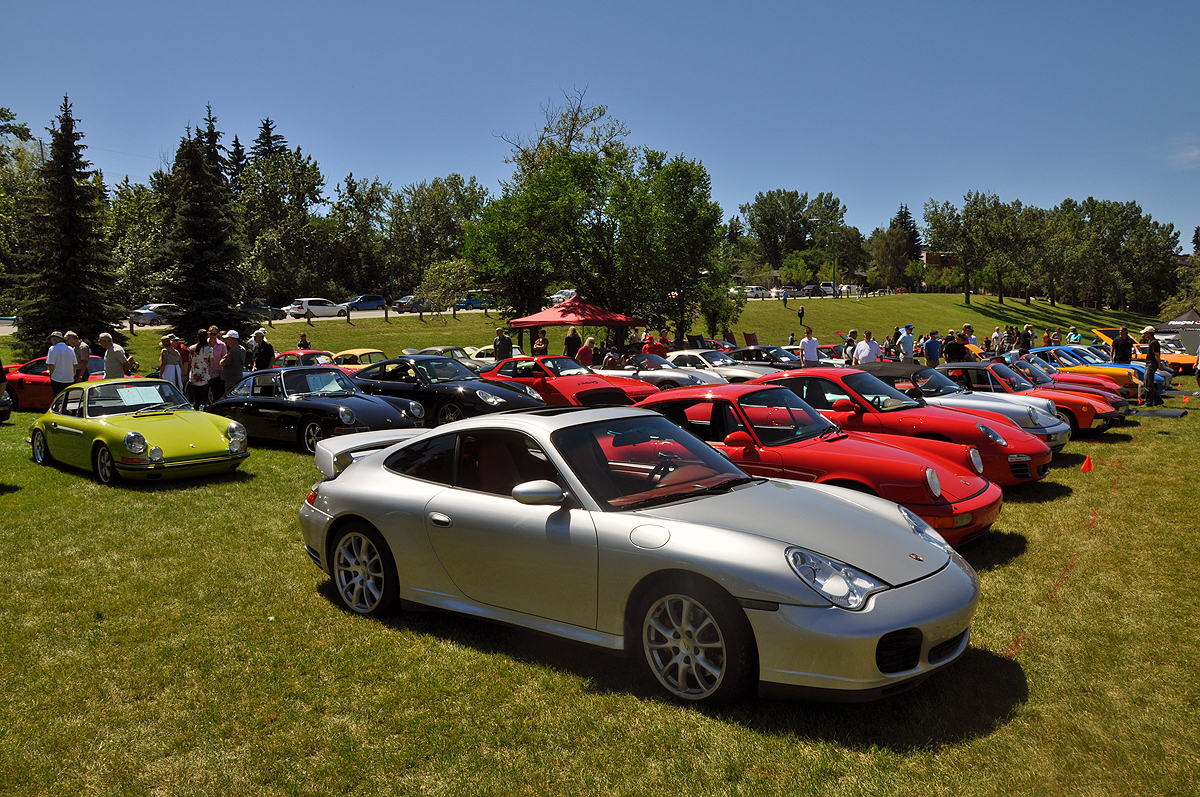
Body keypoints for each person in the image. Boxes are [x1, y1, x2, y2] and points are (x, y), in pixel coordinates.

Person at [189, 329, 214, 409]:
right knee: (203, 398)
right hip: (204, 376)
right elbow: (212, 365)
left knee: (196, 399)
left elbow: (191, 362)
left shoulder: (192, 348)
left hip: (194, 375)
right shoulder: (209, 349)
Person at [47, 332, 76, 396]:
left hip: (57, 379)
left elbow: (51, 365)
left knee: (58, 398)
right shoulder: (70, 349)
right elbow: (74, 364)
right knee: (67, 399)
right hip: (69, 379)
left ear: (54, 340)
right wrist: (72, 375)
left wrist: (51, 374)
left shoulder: (52, 349)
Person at [1141, 326, 1162, 406]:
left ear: (1149, 333)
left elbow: (1157, 355)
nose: (1144, 335)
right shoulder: (1152, 342)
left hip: (1151, 364)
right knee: (1148, 383)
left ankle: (1149, 402)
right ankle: (1157, 400)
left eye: (1145, 333)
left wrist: (1159, 365)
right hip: (1150, 364)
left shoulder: (1154, 343)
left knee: (1148, 383)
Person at [207, 326, 228, 402]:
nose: (212, 336)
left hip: (217, 374)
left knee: (217, 395)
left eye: (214, 334)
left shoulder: (222, 345)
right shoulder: (204, 344)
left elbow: (225, 358)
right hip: (205, 374)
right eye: (211, 334)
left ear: (217, 335)